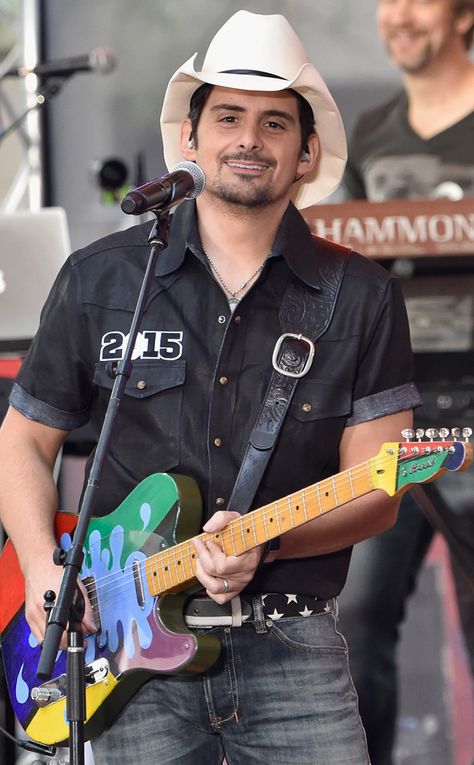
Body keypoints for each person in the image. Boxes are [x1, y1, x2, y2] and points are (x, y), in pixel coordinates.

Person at [0, 11, 421, 765]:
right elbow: (24, 437)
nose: (249, 139)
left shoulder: (361, 296)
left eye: (273, 123)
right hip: (122, 650)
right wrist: (40, 565)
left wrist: (269, 540)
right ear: (191, 138)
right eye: (227, 115)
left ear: (306, 152)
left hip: (294, 641)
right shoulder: (105, 279)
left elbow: (379, 489)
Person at [340, 1, 474, 763]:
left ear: (463, 16)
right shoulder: (375, 131)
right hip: (397, 417)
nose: (398, 15)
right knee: (357, 623)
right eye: (387, 0)